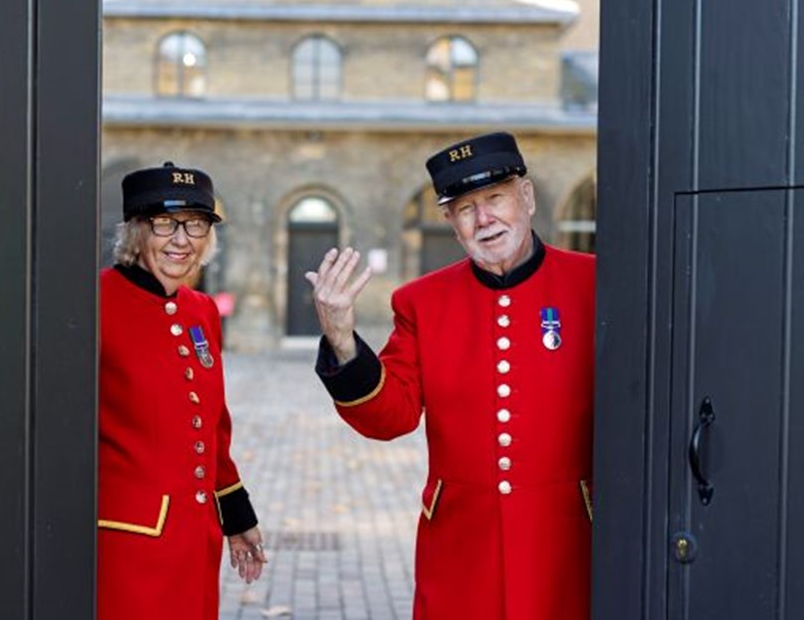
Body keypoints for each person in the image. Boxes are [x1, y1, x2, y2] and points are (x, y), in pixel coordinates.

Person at [305, 132, 595, 619]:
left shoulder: (593, 283)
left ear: (526, 197)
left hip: (567, 538)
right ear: (449, 222)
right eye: (465, 208)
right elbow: (388, 416)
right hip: (460, 544)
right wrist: (342, 340)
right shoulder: (422, 301)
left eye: (495, 198)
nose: (484, 219)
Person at [98, 162, 266, 620]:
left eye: (195, 224)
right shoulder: (95, 302)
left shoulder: (201, 311)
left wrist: (237, 516)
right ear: (135, 230)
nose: (181, 239)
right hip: (124, 544)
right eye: (164, 223)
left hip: (196, 540)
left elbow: (213, 426)